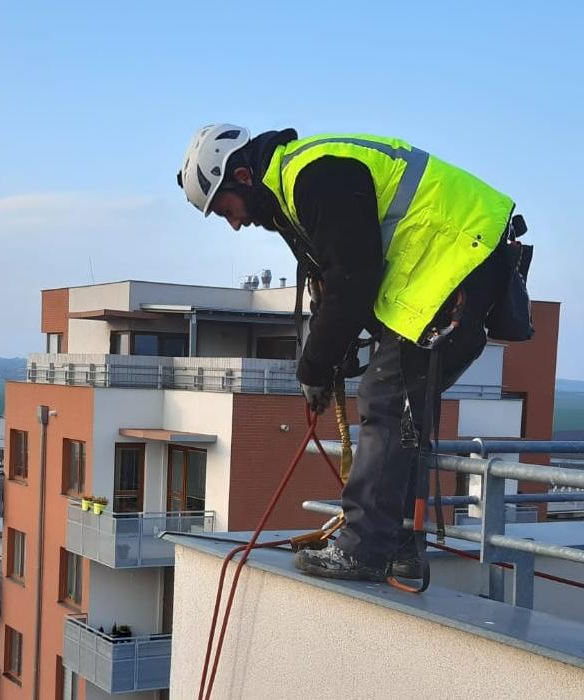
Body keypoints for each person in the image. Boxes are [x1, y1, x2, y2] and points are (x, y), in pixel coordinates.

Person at [178, 125, 529, 582]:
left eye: (226, 210)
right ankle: (398, 545)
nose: (235, 223)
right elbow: (331, 279)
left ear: (243, 176)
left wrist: (315, 367)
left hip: (459, 260)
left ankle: (365, 550)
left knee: (385, 399)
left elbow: (353, 279)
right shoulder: (291, 189)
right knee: (402, 416)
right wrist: (332, 360)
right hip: (450, 267)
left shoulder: (317, 175)